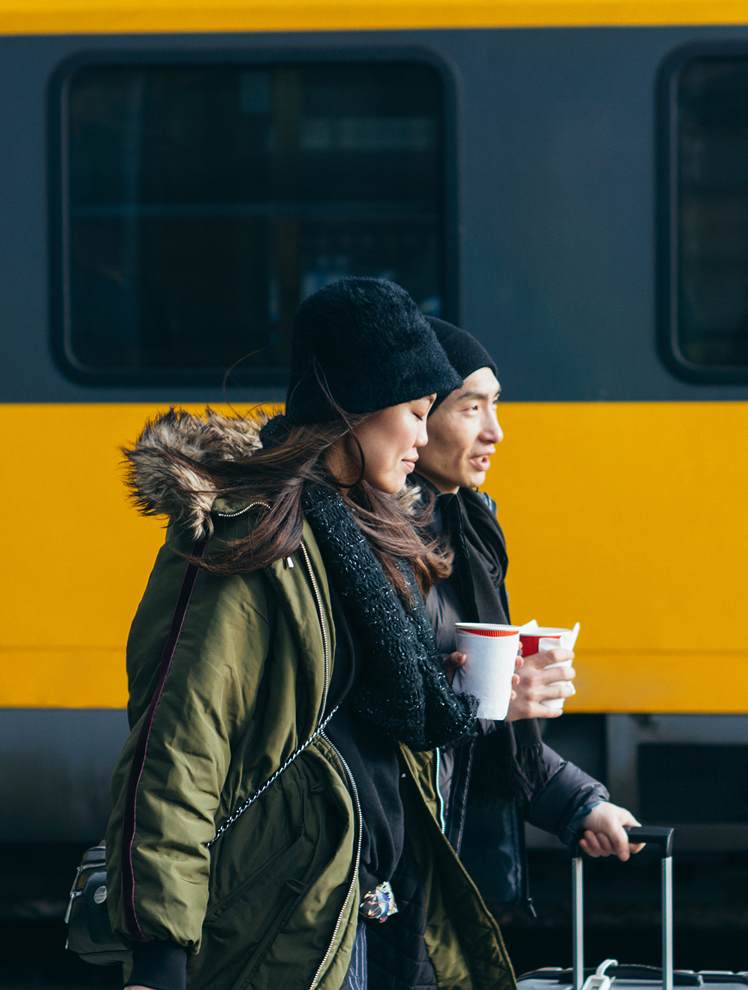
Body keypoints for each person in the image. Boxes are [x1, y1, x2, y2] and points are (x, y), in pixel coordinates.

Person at [107, 278, 513, 990]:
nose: (424, 435)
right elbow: (179, 744)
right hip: (283, 921)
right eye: (415, 413)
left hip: (367, 911)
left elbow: (381, 715)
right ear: (354, 406)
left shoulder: (368, 534)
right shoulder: (250, 538)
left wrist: (467, 688)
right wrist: (160, 952)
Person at [416, 317, 644, 913]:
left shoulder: (468, 525)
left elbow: (481, 734)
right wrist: (485, 701)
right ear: (416, 414)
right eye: (471, 408)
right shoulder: (376, 544)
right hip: (405, 877)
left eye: (496, 406)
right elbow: (372, 723)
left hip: (454, 873)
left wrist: (578, 804)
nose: (496, 432)